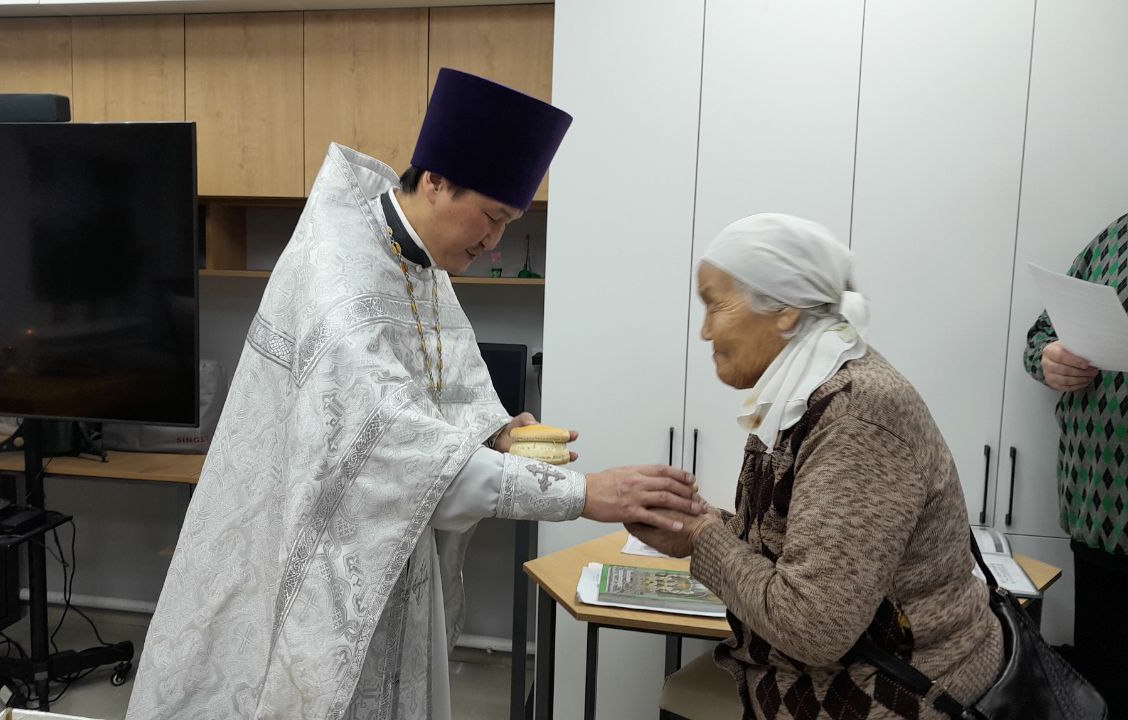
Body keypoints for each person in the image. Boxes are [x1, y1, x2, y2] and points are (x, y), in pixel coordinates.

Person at [124, 68, 701, 720]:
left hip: (391, 551)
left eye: (508, 223)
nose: (493, 241)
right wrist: (584, 494)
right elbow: (390, 446)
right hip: (311, 562)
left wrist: (498, 433)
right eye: (491, 217)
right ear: (435, 181)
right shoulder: (340, 273)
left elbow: (442, 387)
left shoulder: (416, 261)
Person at [629, 214, 1003, 719]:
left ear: (785, 309)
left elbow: (813, 627)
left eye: (716, 304)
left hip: (901, 699)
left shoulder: (857, 415)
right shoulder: (801, 396)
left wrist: (702, 537)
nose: (705, 330)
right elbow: (797, 548)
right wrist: (704, 525)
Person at [1023, 213, 1128, 719]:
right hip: (1097, 512)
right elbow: (1042, 333)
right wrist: (1048, 357)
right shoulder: (1114, 238)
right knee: (1102, 690)